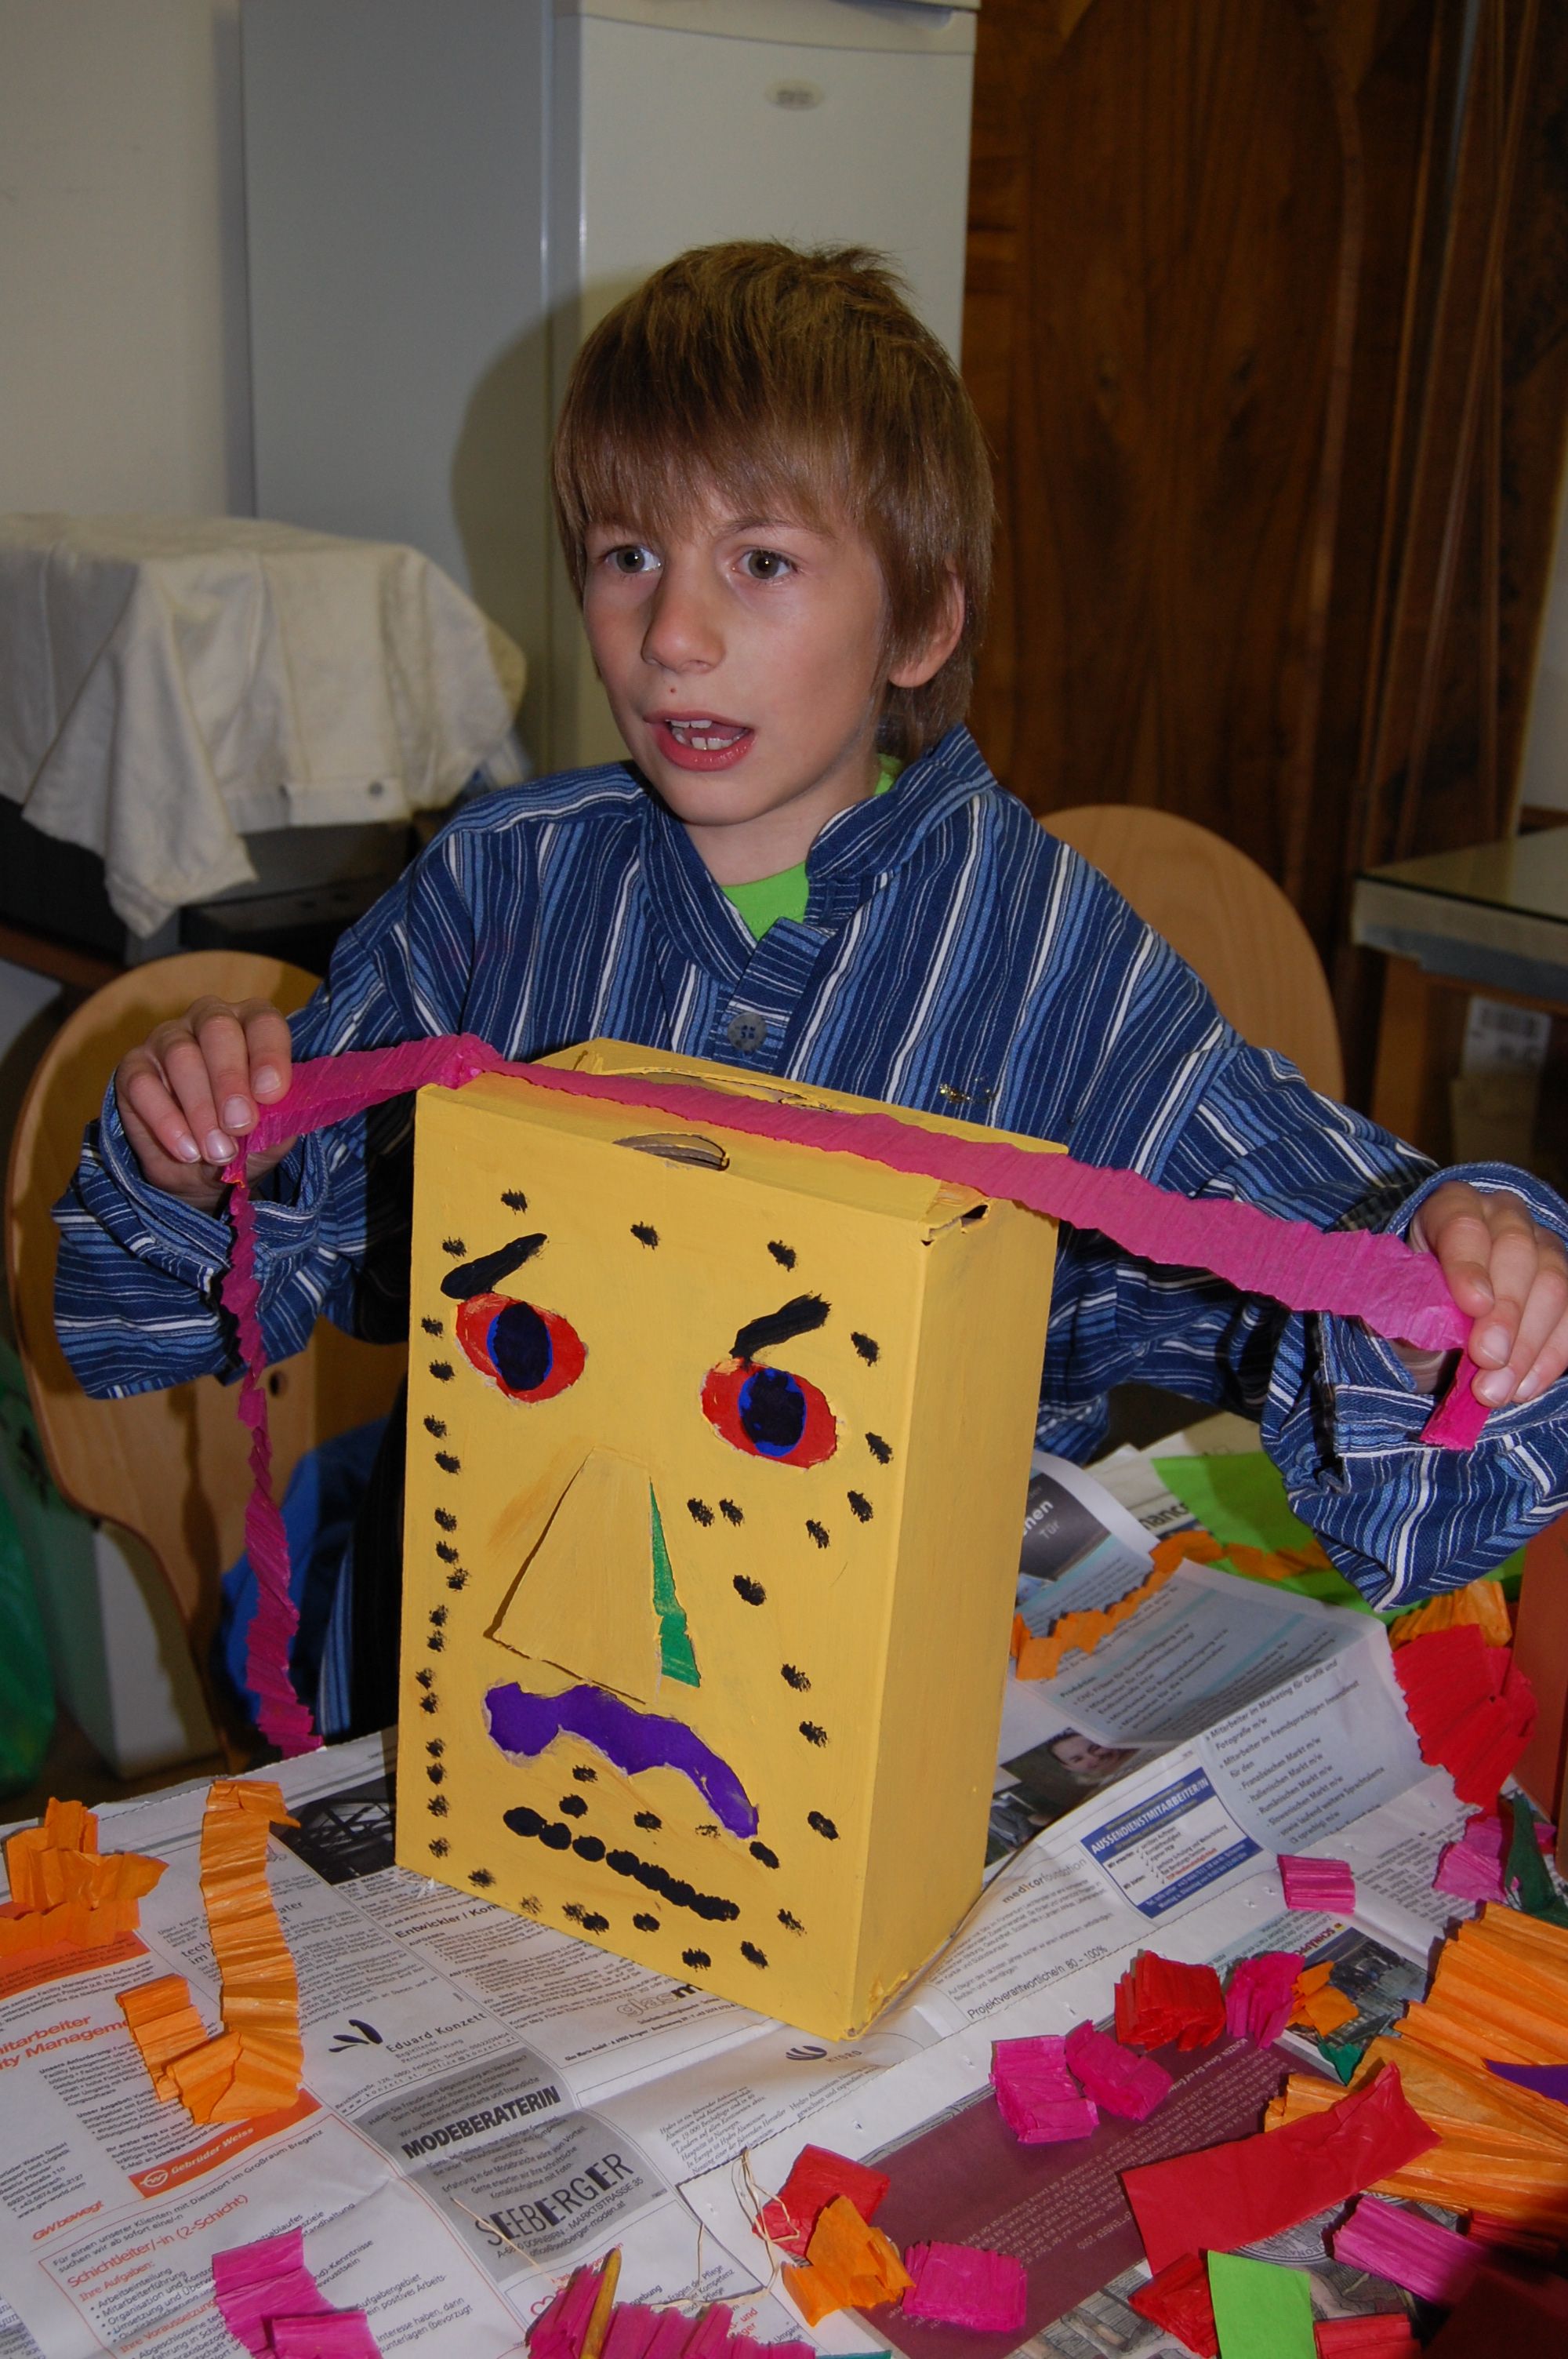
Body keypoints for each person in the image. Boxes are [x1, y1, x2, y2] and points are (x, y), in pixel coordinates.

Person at [54, 242, 1568, 1739]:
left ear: (920, 624)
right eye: (627, 557)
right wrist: (196, 1151)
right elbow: (261, 1247)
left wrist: (1457, 1269)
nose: (672, 636)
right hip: (479, 1670)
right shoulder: (504, 888)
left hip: (852, 1731)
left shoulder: (1041, 951)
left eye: (761, 563)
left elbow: (1325, 1222)